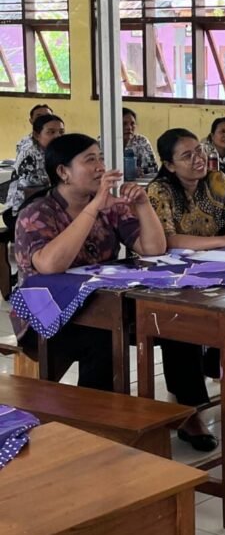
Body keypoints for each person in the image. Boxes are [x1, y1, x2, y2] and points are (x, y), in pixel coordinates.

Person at [11, 134, 165, 392]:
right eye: (90, 160)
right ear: (63, 172)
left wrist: (143, 204)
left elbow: (153, 249)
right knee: (103, 338)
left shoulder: (110, 208)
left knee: (173, 325)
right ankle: (95, 422)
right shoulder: (38, 212)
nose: (100, 167)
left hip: (102, 304)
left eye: (101, 159)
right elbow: (50, 266)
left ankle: (187, 412)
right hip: (48, 313)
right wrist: (93, 208)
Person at [147, 128, 225, 451]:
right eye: (187, 156)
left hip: (216, 271)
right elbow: (167, 241)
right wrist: (224, 241)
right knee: (179, 324)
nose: (198, 159)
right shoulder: (160, 191)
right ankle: (192, 413)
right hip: (170, 279)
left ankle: (211, 373)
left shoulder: (217, 180)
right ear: (169, 165)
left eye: (198, 151)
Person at [7, 114, 65, 212]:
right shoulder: (29, 156)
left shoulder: (57, 151)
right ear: (37, 135)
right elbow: (28, 192)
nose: (57, 136)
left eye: (61, 132)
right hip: (22, 209)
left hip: (50, 203)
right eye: (51, 132)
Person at [121, 107, 159, 177]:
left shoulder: (141, 141)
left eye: (132, 124)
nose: (129, 127)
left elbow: (153, 169)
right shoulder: (105, 141)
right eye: (124, 124)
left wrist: (140, 171)